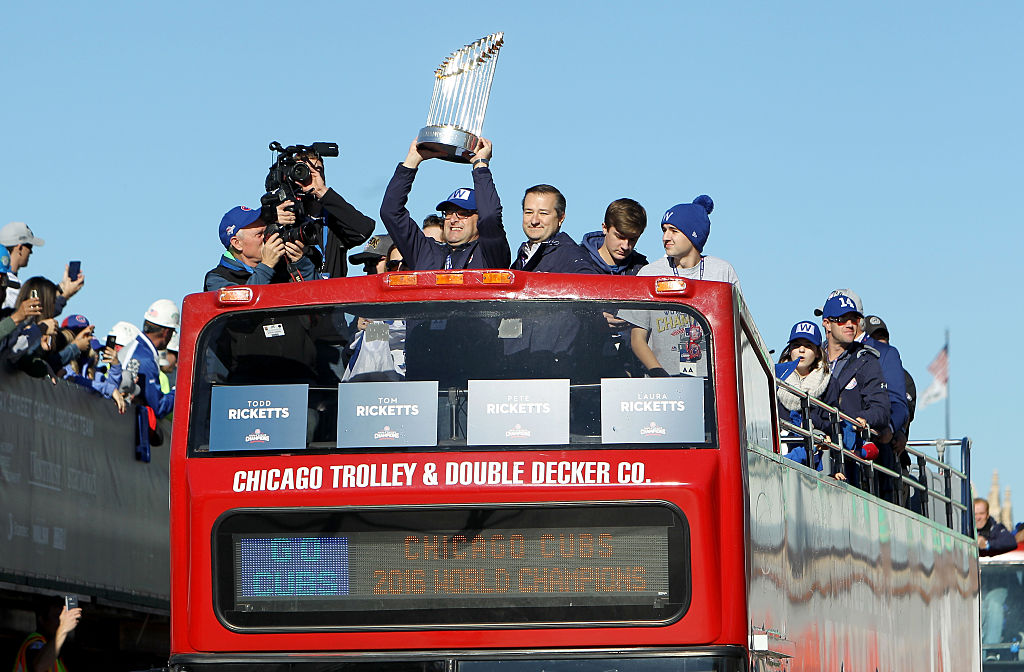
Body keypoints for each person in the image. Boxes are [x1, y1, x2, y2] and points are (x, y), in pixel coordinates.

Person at [621, 198, 739, 377]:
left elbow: (738, 334)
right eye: (664, 230)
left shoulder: (721, 272)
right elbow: (637, 339)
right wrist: (659, 374)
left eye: (673, 231)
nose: (665, 237)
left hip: (713, 384)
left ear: (693, 234)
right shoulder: (649, 273)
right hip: (661, 387)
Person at [380, 138, 509, 270]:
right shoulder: (426, 251)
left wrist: (480, 165)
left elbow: (490, 216)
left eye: (463, 214)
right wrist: (412, 160)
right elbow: (391, 212)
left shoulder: (488, 253)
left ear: (479, 220)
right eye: (448, 213)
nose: (453, 220)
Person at [811, 293, 890, 485]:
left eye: (854, 319)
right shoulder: (811, 357)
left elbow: (881, 408)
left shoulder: (866, 360)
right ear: (827, 324)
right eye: (841, 319)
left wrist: (863, 419)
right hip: (812, 458)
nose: (850, 324)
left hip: (851, 464)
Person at [286, 150, 375, 278]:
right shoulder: (288, 218)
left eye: (317, 170)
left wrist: (323, 192)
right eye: (303, 170)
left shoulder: (334, 219)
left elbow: (364, 229)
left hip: (333, 296)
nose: (311, 176)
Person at [204, 205, 314, 291]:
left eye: (266, 231)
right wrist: (266, 266)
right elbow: (242, 309)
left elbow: (318, 296)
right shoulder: (217, 279)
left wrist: (301, 264)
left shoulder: (282, 266)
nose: (266, 238)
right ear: (237, 243)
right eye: (259, 234)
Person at [1, 221, 84, 313]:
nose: (31, 252)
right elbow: (33, 318)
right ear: (20, 248)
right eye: (30, 246)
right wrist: (65, 295)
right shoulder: (8, 283)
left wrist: (61, 288)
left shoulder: (10, 281)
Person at [512, 185, 597, 273]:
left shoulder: (571, 256)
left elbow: (591, 284)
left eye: (543, 213)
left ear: (561, 218)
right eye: (529, 212)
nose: (534, 221)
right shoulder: (523, 254)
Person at [119, 299, 178, 418]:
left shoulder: (139, 350)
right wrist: (179, 390)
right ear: (167, 332)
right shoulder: (144, 357)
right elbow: (159, 407)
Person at [13, 595, 81, 672]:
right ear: (42, 619)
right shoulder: (35, 642)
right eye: (56, 617)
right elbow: (40, 667)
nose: (60, 621)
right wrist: (63, 629)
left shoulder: (54, 655)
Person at [581, 198, 649, 275]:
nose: (625, 246)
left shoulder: (643, 270)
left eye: (632, 239)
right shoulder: (577, 263)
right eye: (620, 237)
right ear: (605, 228)